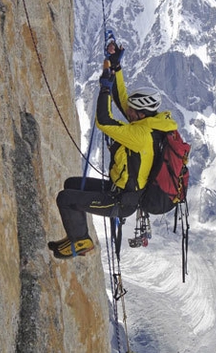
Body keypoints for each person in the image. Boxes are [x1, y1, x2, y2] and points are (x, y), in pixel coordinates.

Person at [48, 39, 178, 259]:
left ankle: (81, 241)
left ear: (141, 113)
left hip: (121, 201)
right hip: (118, 190)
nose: (128, 112)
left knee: (65, 198)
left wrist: (104, 90)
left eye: (132, 111)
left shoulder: (140, 135)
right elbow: (123, 100)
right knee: (71, 184)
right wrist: (116, 68)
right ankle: (75, 234)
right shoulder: (151, 124)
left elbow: (104, 120)